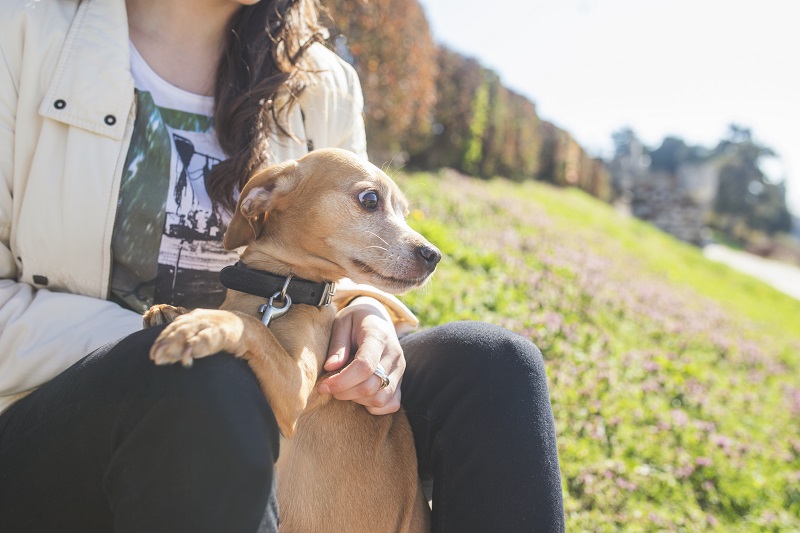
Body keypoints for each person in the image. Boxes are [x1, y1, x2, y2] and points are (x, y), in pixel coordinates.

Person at [0, 0, 565, 531]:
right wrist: (204, 336)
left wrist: (366, 311)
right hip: (64, 415)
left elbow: (342, 254)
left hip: (283, 361)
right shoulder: (22, 33)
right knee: (213, 383)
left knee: (494, 365)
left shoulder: (323, 80)